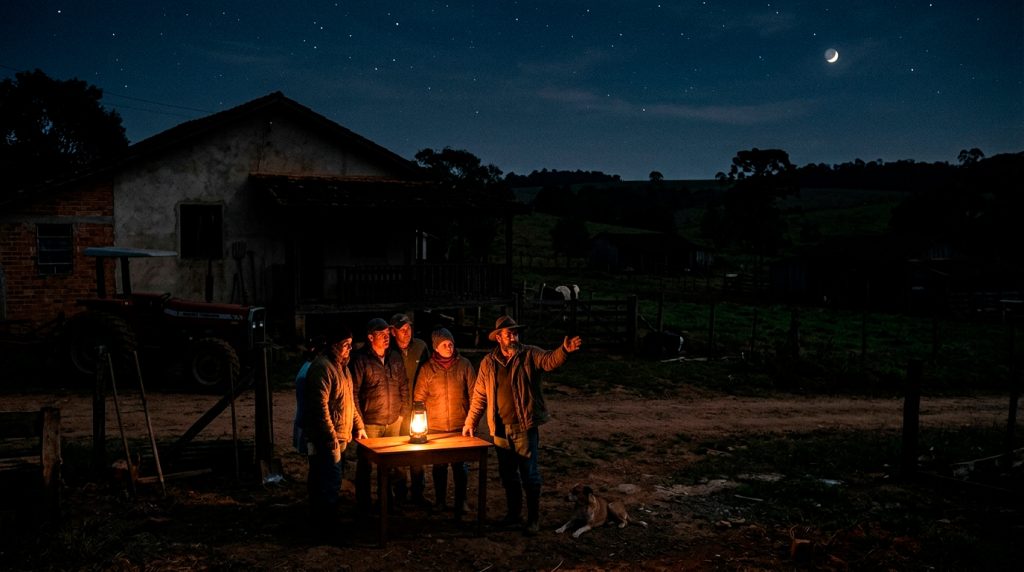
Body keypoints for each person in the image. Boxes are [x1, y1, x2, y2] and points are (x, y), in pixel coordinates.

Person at [463, 315, 582, 536]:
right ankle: (513, 514)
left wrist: (564, 350)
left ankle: (533, 519)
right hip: (499, 429)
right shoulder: (488, 363)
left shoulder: (529, 354)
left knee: (529, 474)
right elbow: (480, 395)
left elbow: (549, 360)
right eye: (509, 334)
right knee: (508, 475)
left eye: (516, 333)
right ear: (499, 338)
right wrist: (471, 421)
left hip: (523, 426)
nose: (514, 337)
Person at [301, 329, 367, 534]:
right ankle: (326, 523)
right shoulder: (323, 368)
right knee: (329, 479)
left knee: (331, 478)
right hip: (328, 438)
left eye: (350, 344)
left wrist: (359, 426)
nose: (349, 348)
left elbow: (348, 402)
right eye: (346, 344)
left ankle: (323, 519)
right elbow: (320, 407)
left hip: (340, 435)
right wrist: (330, 436)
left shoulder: (343, 369)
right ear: (334, 345)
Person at [413, 327, 476, 520]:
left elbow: (474, 394)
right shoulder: (427, 369)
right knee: (439, 466)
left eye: (450, 344)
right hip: (436, 427)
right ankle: (440, 501)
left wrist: (471, 420)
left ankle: (461, 501)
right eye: (444, 344)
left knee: (460, 466)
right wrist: (421, 424)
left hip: (459, 425)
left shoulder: (464, 365)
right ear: (436, 348)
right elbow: (419, 398)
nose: (449, 347)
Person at [351, 317, 410, 516]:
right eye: (381, 334)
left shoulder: (394, 357)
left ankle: (386, 502)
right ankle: (364, 504)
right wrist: (359, 423)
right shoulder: (361, 360)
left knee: (389, 465)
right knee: (366, 465)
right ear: (370, 337)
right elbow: (354, 393)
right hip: (370, 423)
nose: (386, 338)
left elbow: (403, 385)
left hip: (393, 421)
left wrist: (402, 414)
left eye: (387, 334)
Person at [389, 313, 430, 507]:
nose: (407, 332)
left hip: (417, 409)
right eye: (402, 329)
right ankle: (399, 493)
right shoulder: (388, 350)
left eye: (409, 328)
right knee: (398, 453)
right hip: (396, 411)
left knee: (418, 452)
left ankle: (418, 492)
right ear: (393, 331)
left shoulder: (420, 347)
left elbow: (430, 372)